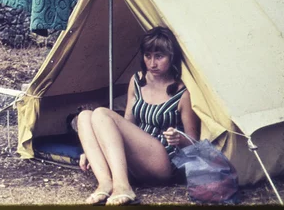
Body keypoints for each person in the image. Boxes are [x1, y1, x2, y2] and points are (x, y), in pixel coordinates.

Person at [77, 26, 200, 205]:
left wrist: (178, 138)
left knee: (102, 113)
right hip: (136, 157)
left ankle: (123, 186)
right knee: (85, 116)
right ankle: (105, 184)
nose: (152, 63)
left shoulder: (182, 93)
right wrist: (93, 148)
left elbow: (195, 142)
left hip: (163, 160)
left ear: (172, 57)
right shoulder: (137, 81)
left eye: (159, 56)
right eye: (147, 56)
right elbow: (126, 124)